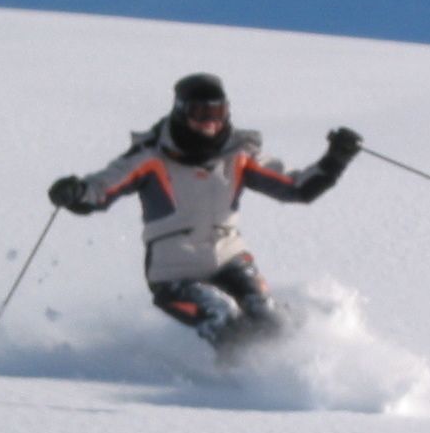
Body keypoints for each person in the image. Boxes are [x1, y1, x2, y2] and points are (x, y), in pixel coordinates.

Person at [49, 73, 362, 353]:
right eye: (200, 113)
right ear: (181, 111)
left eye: (218, 113)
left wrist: (336, 159)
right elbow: (103, 188)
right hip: (174, 271)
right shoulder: (151, 156)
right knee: (222, 316)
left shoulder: (239, 154)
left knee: (267, 317)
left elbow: (296, 188)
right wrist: (77, 192)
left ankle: (299, 363)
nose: (210, 122)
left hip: (229, 258)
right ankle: (238, 384)